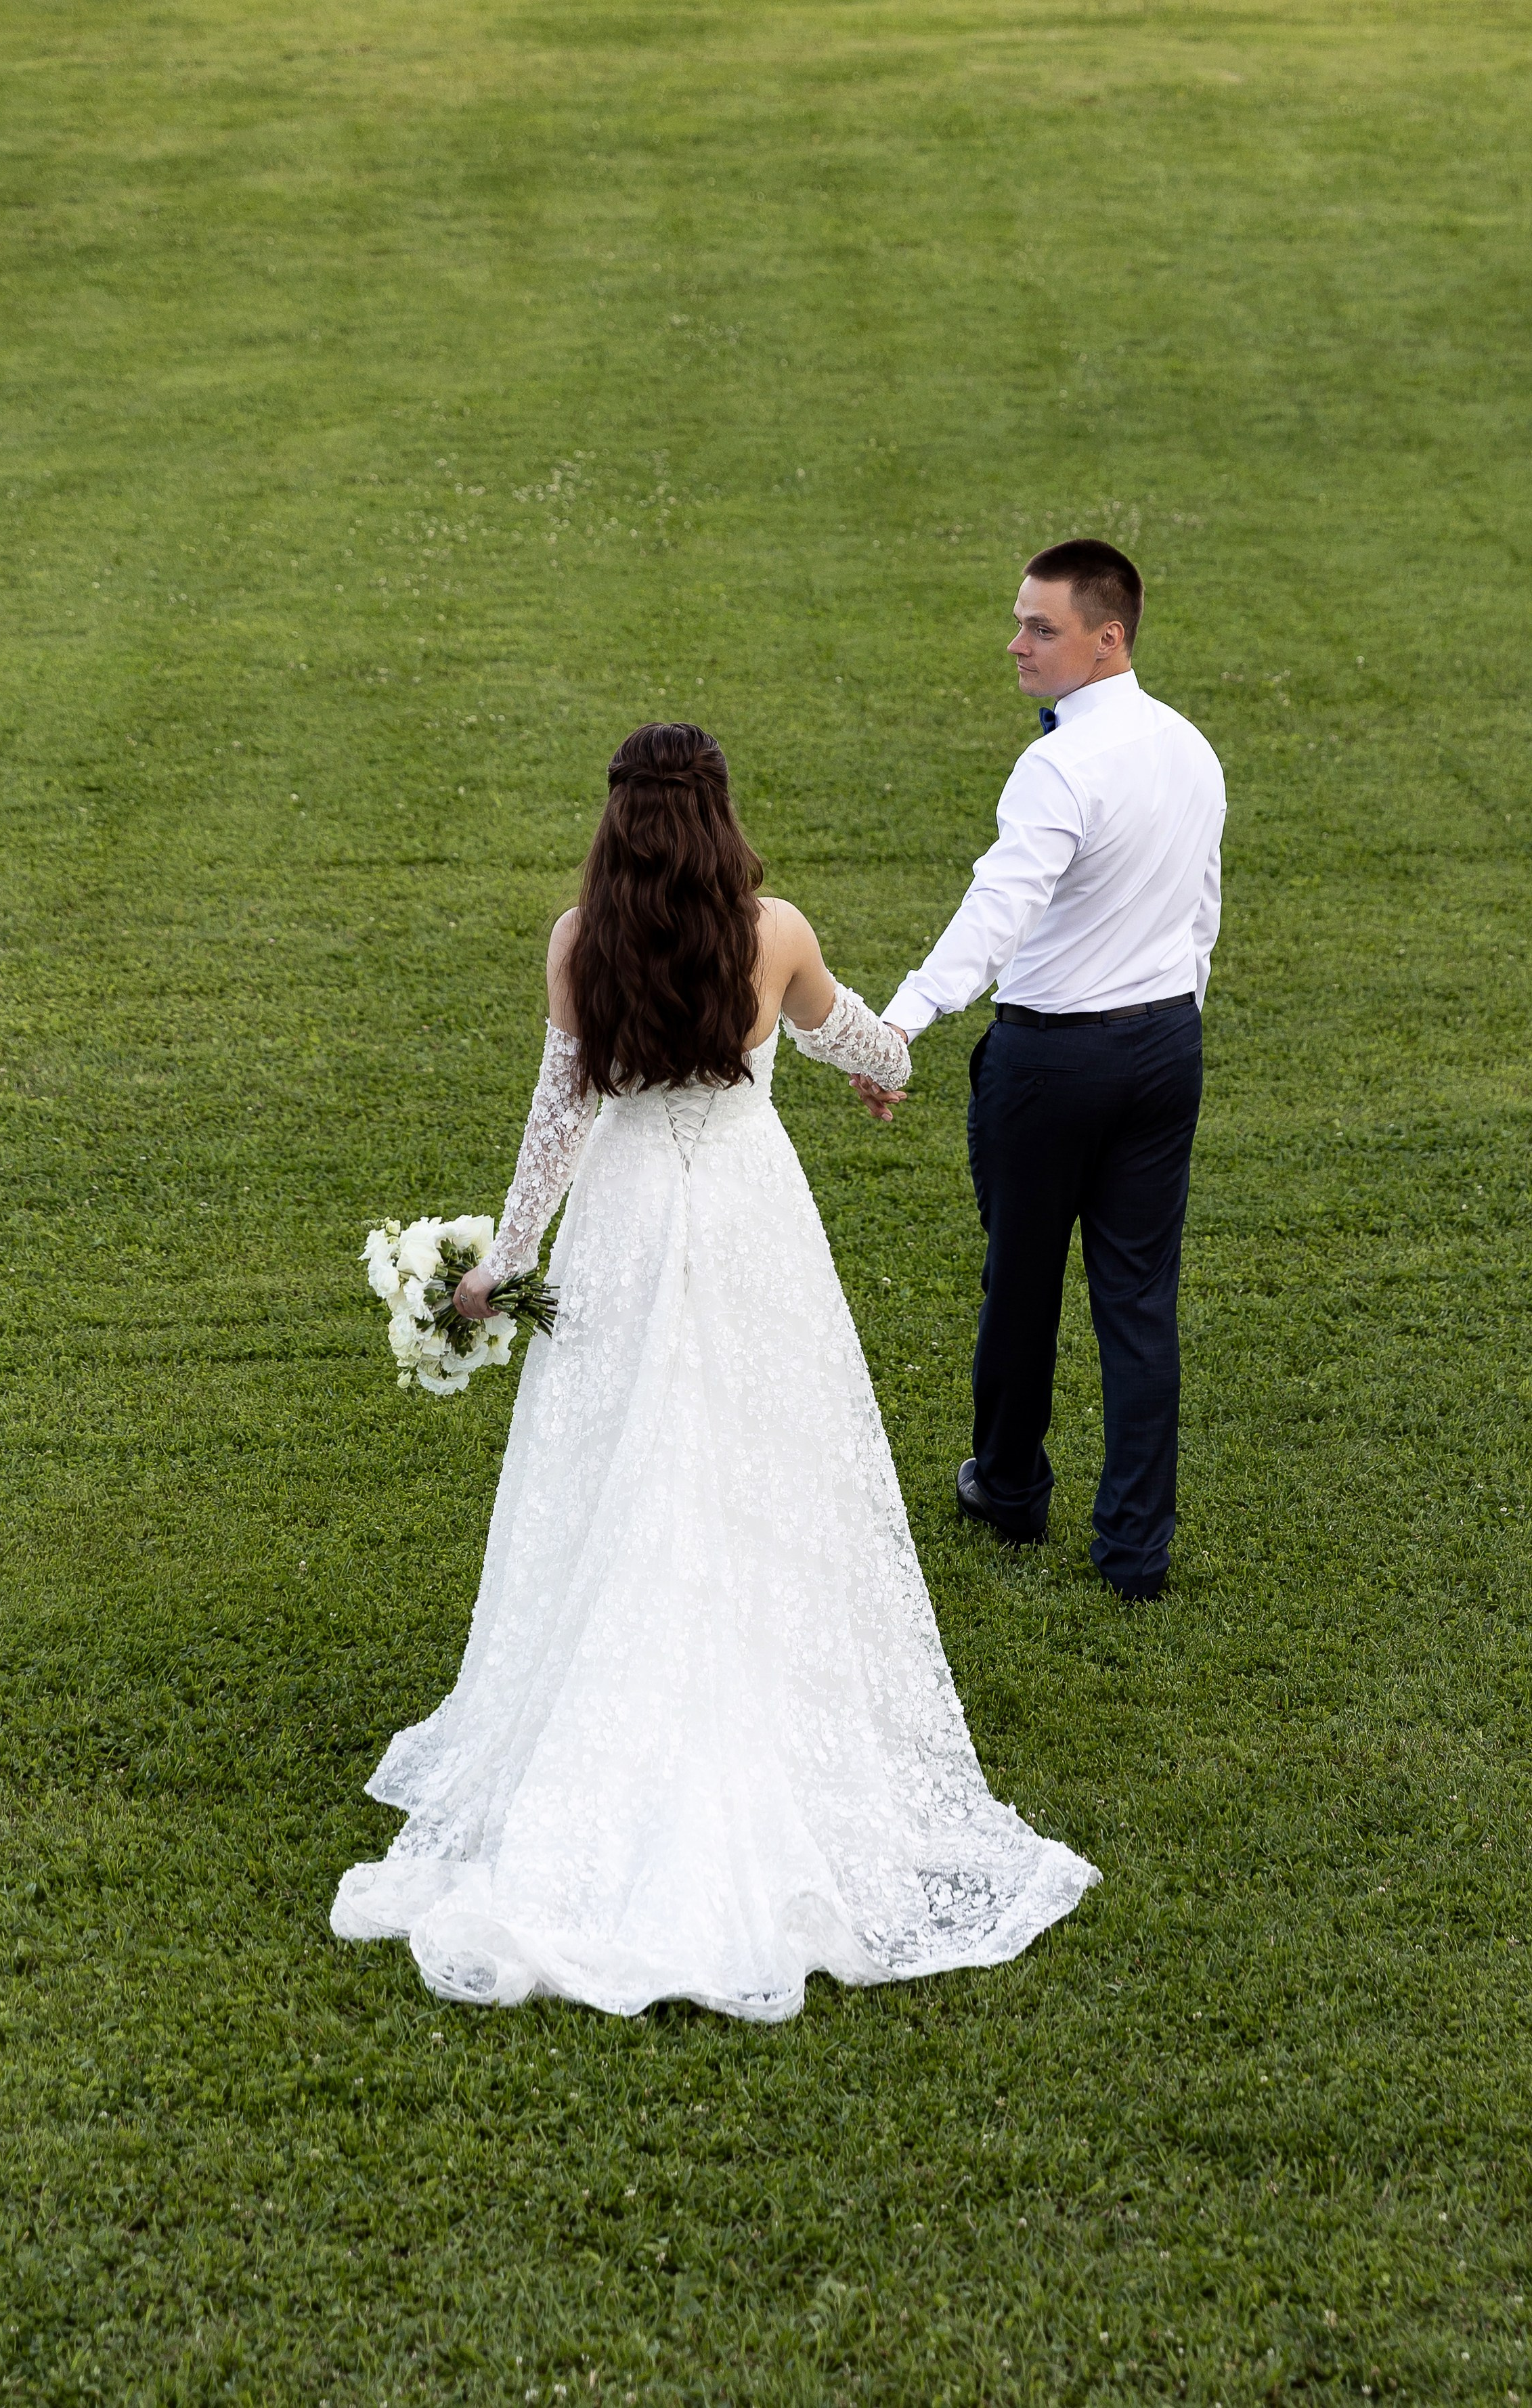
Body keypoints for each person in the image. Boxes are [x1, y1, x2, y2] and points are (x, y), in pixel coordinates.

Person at [332, 721, 1098, 2019]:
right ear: (719, 812)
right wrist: (879, 1070)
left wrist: (494, 1273)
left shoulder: (582, 943)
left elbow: (556, 1127)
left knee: (617, 1447)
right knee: (764, 1443)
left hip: (627, 1221)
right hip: (750, 1215)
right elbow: (875, 1048)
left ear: (620, 816)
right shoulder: (774, 930)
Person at [869, 541, 1225, 1602]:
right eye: (1020, 620)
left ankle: (1012, 1491)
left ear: (1107, 638)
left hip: (1051, 1061)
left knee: (1020, 1285)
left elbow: (996, 916)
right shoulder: (1192, 746)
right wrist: (1173, 1017)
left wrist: (899, 1024)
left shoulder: (1060, 764)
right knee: (1139, 1302)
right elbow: (1202, 911)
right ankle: (1135, 1553)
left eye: (1041, 627)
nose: (1015, 642)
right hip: (1166, 1049)